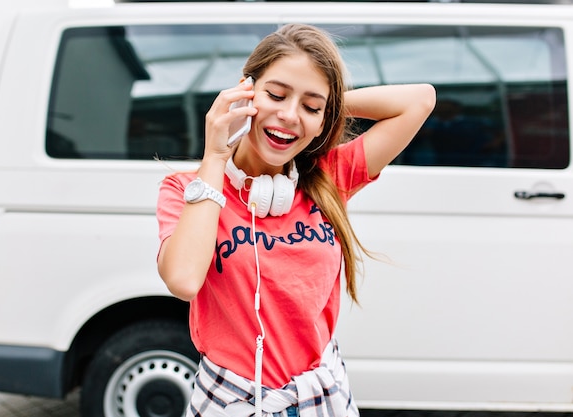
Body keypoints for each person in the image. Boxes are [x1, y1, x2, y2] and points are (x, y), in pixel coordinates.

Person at [156, 23, 436, 417]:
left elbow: (420, 100)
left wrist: (328, 104)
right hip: (229, 401)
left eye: (310, 106)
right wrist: (215, 159)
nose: (288, 116)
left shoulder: (330, 177)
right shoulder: (188, 188)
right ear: (246, 91)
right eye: (275, 94)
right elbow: (183, 280)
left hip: (320, 398)